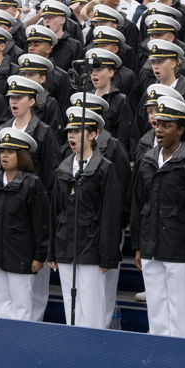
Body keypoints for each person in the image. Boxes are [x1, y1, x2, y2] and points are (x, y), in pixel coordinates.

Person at [130, 95, 185, 338]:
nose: (159, 130)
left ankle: (182, 359)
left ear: (181, 130)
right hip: (151, 247)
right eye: (158, 124)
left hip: (180, 250)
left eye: (167, 125)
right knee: (156, 312)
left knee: (181, 314)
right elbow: (138, 204)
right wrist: (138, 245)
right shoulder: (147, 160)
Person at [49, 107, 124, 329]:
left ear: (93, 134)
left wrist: (107, 255)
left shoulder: (104, 168)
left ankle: (93, 348)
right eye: (69, 131)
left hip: (92, 247)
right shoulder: (63, 168)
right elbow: (56, 211)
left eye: (77, 131)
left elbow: (111, 213)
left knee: (92, 309)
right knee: (71, 308)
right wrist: (52, 251)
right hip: (66, 245)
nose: (71, 136)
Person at [0, 126, 51, 321]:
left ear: (22, 156)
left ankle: (22, 341)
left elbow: (41, 222)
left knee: (22, 307)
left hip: (21, 254)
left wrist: (39, 256)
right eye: (2, 151)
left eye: (10, 152)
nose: (4, 156)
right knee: (1, 305)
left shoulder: (32, 183)